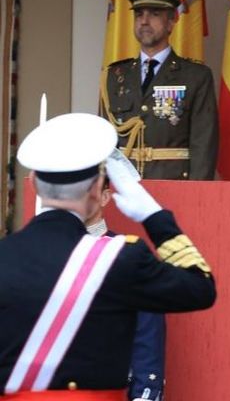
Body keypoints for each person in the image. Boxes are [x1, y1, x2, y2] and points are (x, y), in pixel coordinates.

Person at [0, 113, 215, 397]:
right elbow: (200, 287)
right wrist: (153, 215)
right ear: (95, 189)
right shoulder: (121, 258)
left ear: (35, 184)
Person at [99, 0, 218, 180]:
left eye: (154, 14)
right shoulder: (114, 76)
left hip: (175, 188)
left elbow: (203, 145)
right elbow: (104, 143)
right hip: (124, 188)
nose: (144, 21)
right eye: (139, 14)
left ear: (171, 22)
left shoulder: (195, 76)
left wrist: (197, 198)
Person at [83, 184, 166, 401]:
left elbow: (147, 337)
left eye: (84, 190)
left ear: (104, 197)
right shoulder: (43, 253)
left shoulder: (128, 256)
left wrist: (145, 394)